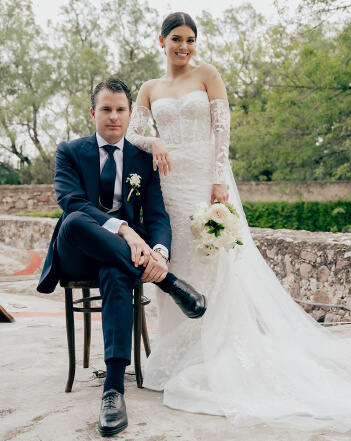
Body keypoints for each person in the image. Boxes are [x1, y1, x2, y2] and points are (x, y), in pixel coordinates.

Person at [126, 11, 351, 432]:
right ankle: (174, 353)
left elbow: (223, 128)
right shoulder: (149, 88)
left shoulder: (208, 74)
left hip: (204, 182)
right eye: (176, 39)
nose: (184, 47)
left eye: (190, 40)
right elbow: (131, 133)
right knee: (176, 266)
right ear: (160, 41)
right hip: (169, 187)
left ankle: (213, 353)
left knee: (212, 264)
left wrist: (219, 181)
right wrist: (155, 139)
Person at [37, 78, 207, 437]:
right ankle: (169, 282)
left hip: (125, 258)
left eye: (120, 110)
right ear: (93, 112)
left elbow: (158, 216)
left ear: (131, 114)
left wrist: (159, 252)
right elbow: (71, 202)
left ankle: (113, 390)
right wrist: (126, 231)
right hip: (78, 250)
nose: (113, 117)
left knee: (116, 273)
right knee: (75, 221)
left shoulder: (142, 160)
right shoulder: (69, 151)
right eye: (106, 109)